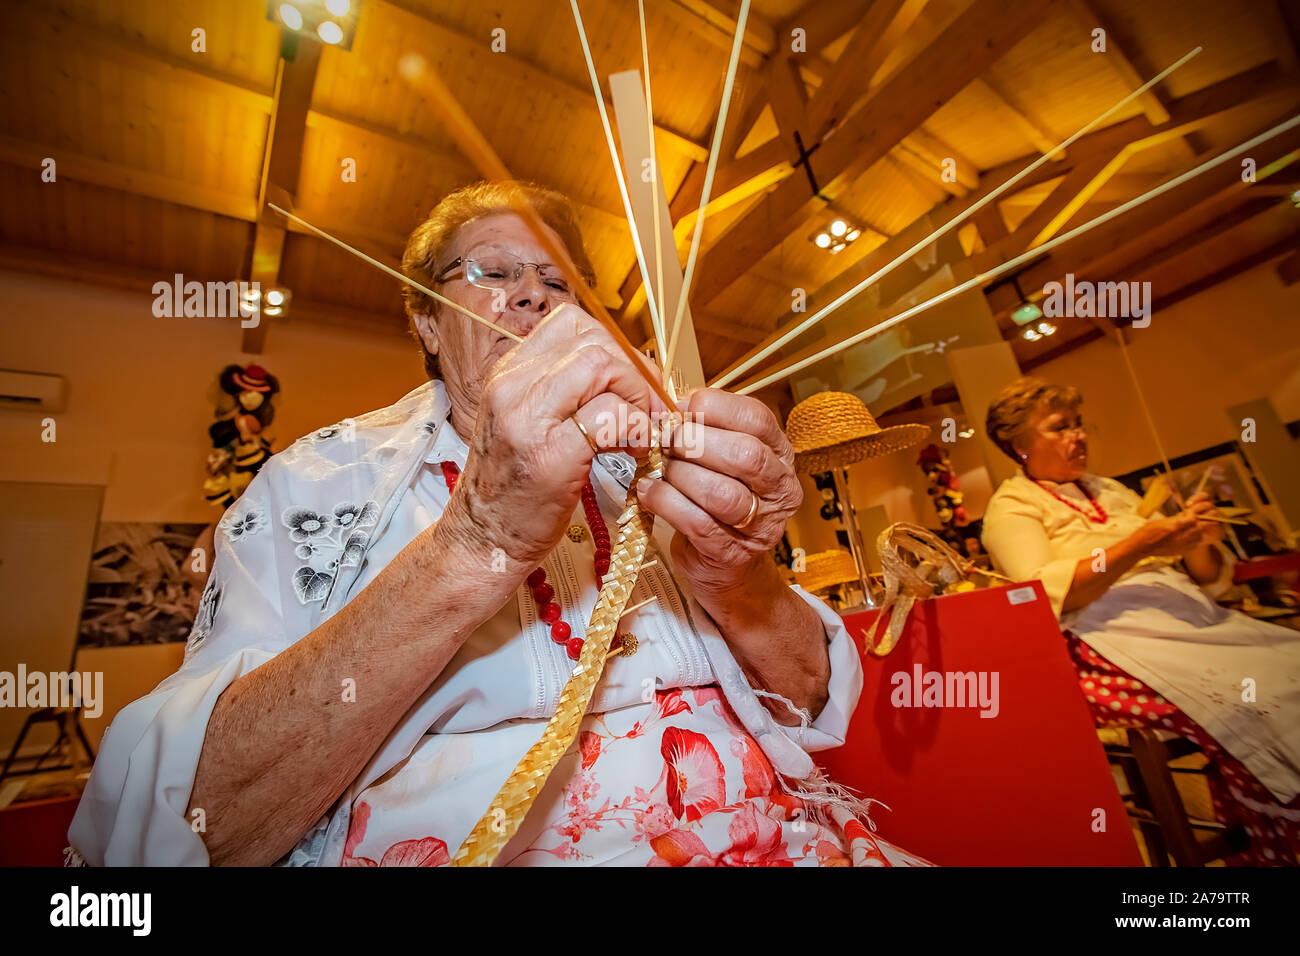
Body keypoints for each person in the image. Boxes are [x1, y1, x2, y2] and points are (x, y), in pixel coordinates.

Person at [68, 181, 925, 868]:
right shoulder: (319, 482)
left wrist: (738, 578)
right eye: (494, 273)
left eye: (557, 283)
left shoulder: (660, 471)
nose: (532, 297)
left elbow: (813, 696)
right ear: (427, 320)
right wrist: (476, 542)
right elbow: (193, 825)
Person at [981, 377, 1300, 864]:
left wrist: (1197, 541)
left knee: (1291, 663)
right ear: (1019, 444)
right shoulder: (1011, 506)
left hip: (1191, 619)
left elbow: (1211, 580)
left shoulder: (1110, 491)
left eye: (1078, 424)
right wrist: (1142, 544)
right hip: (1107, 639)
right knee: (1258, 699)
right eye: (1059, 427)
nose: (1078, 435)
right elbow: (1041, 594)